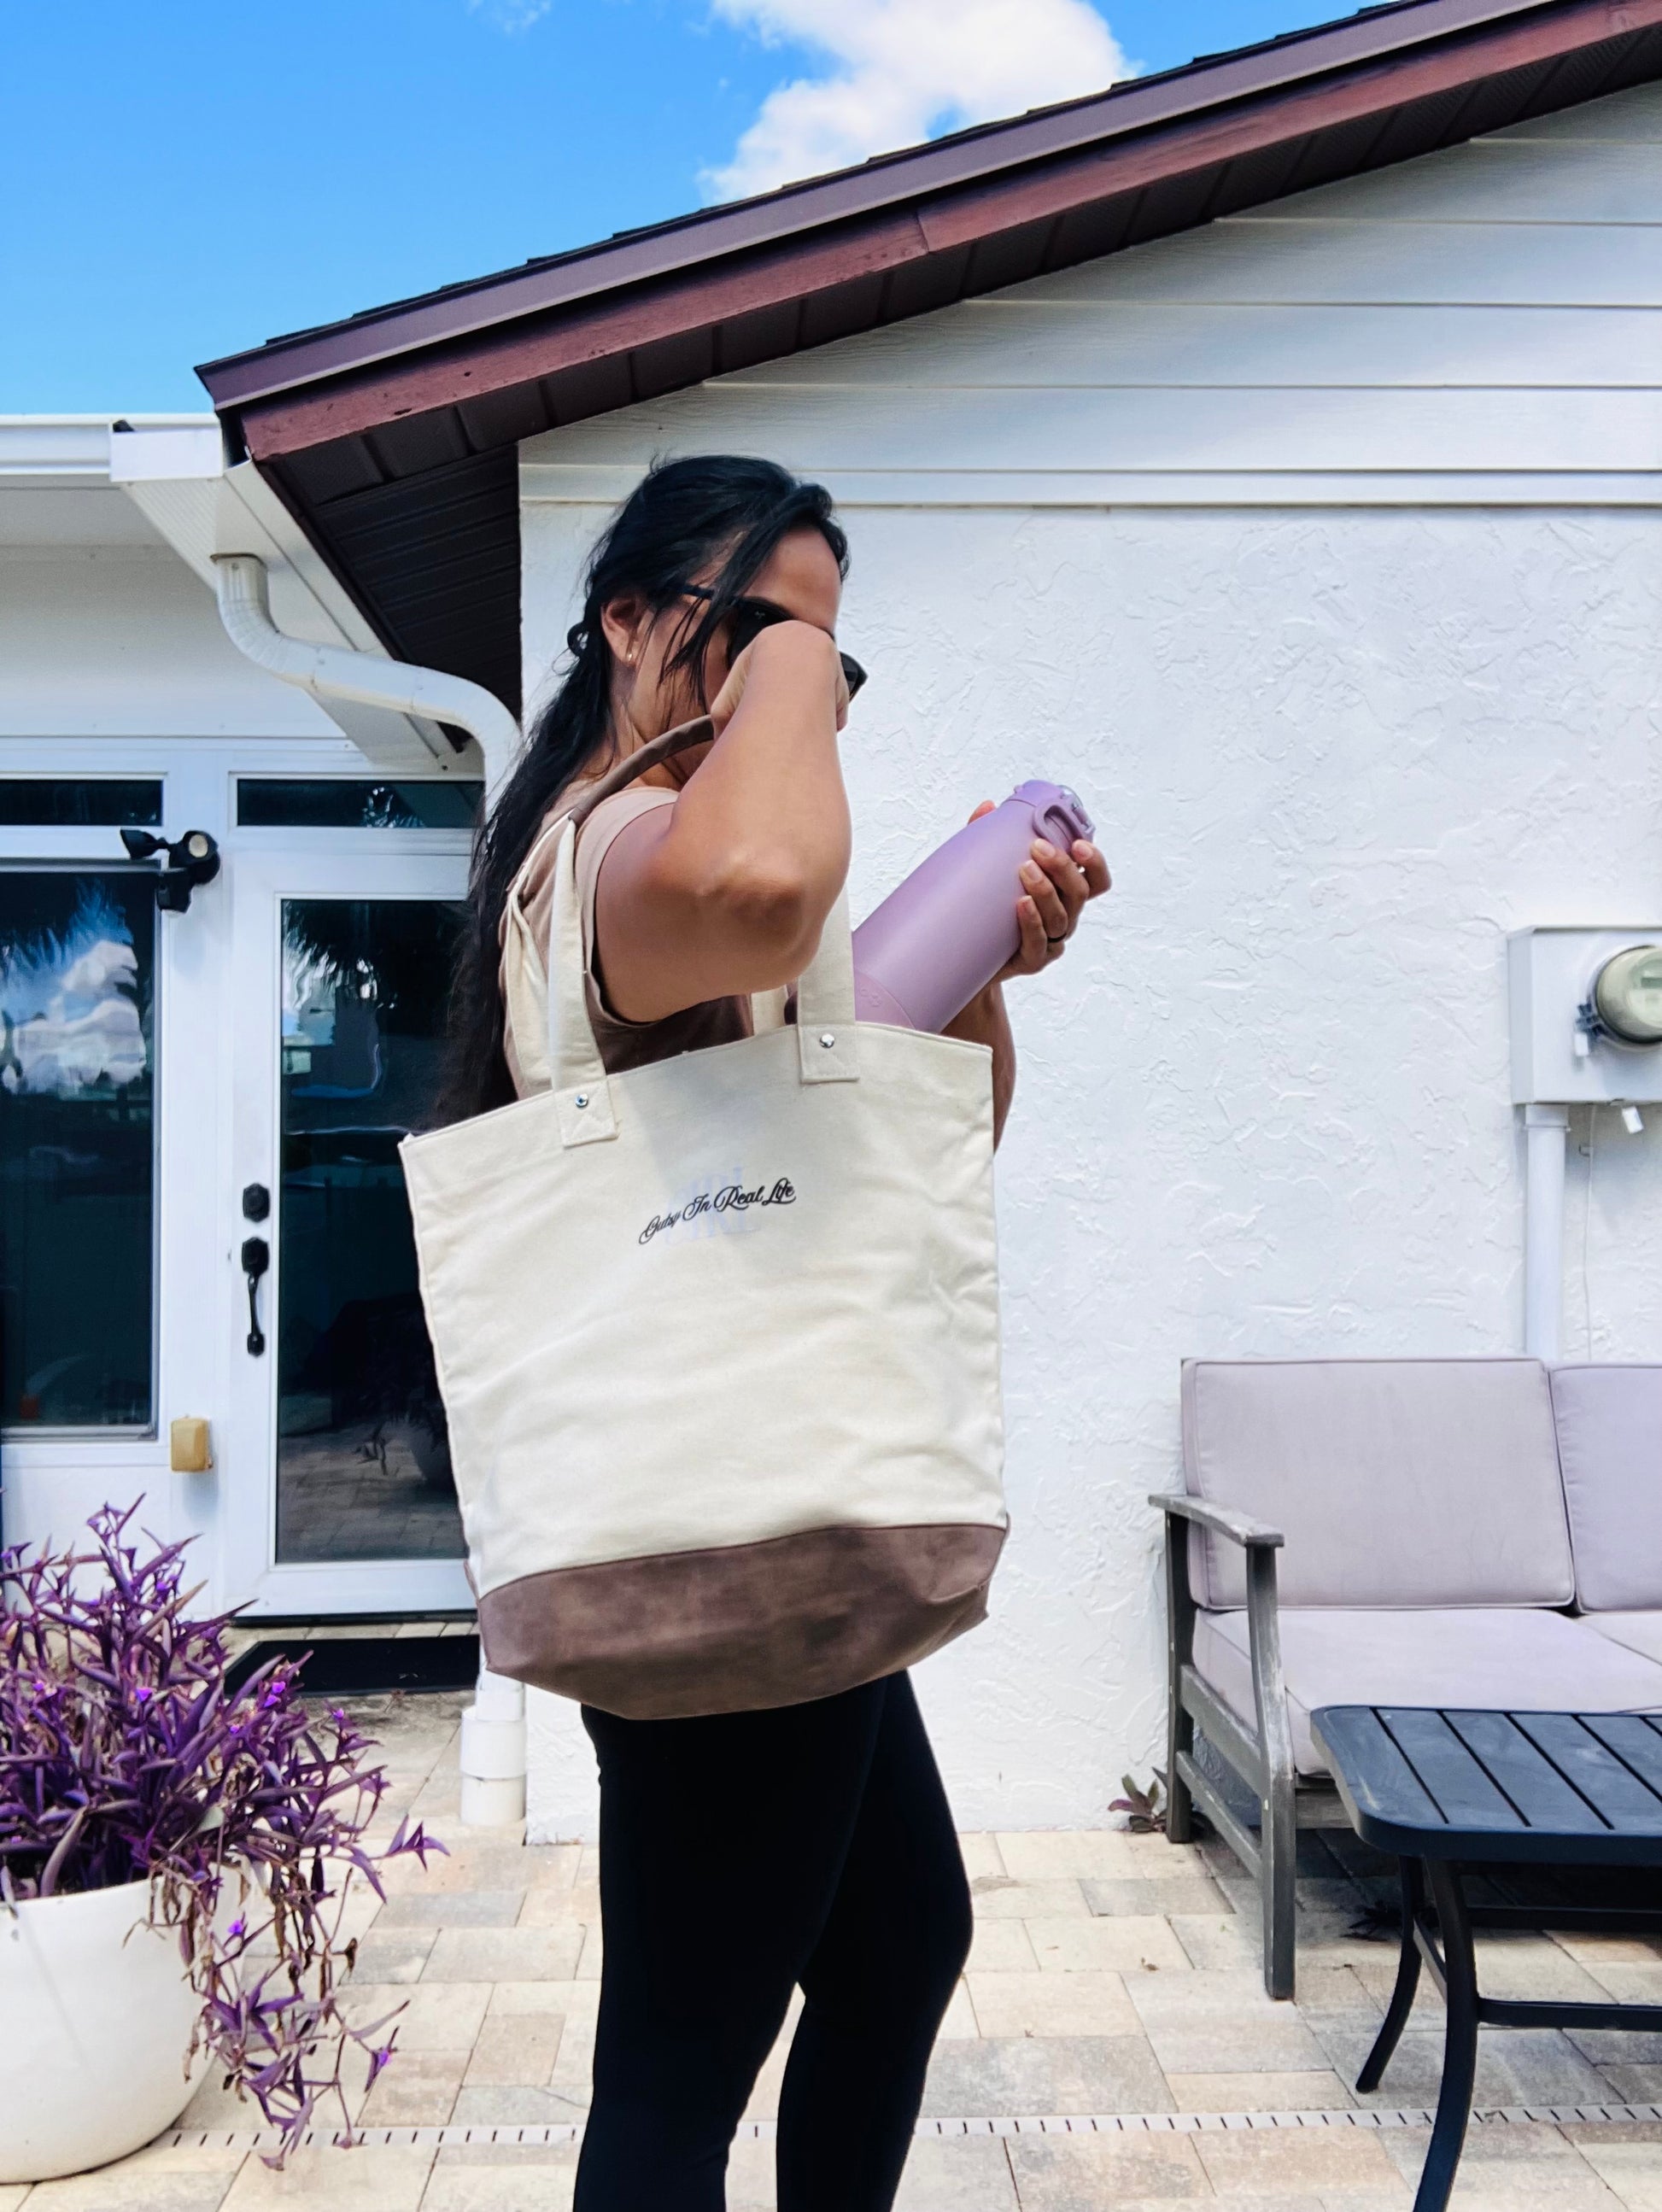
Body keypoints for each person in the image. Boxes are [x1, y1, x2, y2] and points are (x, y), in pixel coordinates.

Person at [441, 454, 1110, 2212]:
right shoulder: (614, 855)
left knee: (897, 1944)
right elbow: (755, 880)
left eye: (823, 660)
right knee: (676, 2069)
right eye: (745, 630)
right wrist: (799, 661)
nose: (790, 679)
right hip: (720, 1530)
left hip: (780, 1505)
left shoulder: (707, 875)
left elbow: (924, 1140)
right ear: (627, 621)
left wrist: (982, 968)